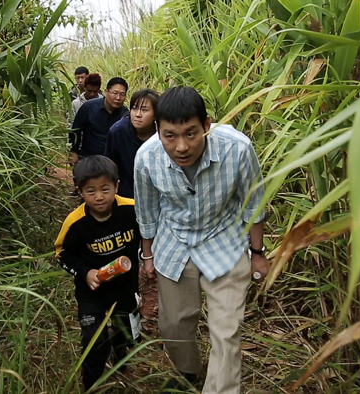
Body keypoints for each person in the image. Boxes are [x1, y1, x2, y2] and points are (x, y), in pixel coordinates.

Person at [133, 87, 269, 394]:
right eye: (170, 136)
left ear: (206, 125)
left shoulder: (238, 149)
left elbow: (253, 204)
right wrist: (148, 256)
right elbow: (147, 211)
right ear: (157, 130)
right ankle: (189, 371)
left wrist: (257, 252)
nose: (181, 146)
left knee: (226, 333)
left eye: (191, 134)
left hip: (226, 240)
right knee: (174, 325)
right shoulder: (146, 158)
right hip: (175, 243)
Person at [54, 155, 142, 391]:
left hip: (125, 288)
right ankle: (91, 385)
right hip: (91, 291)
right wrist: (85, 272)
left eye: (105, 188)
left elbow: (150, 233)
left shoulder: (131, 210)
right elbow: (62, 254)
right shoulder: (75, 223)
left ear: (116, 185)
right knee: (94, 341)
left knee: (126, 333)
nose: (99, 196)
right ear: (79, 191)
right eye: (91, 191)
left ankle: (120, 357)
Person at [104, 89, 159, 198]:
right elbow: (109, 166)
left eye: (144, 110)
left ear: (156, 115)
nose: (138, 114)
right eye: (134, 108)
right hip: (126, 194)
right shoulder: (117, 131)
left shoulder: (163, 133)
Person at [69, 77, 129, 165]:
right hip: (88, 159)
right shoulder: (89, 107)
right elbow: (76, 130)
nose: (118, 98)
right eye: (115, 93)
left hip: (112, 163)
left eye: (122, 94)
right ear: (106, 92)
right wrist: (73, 151)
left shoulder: (125, 114)